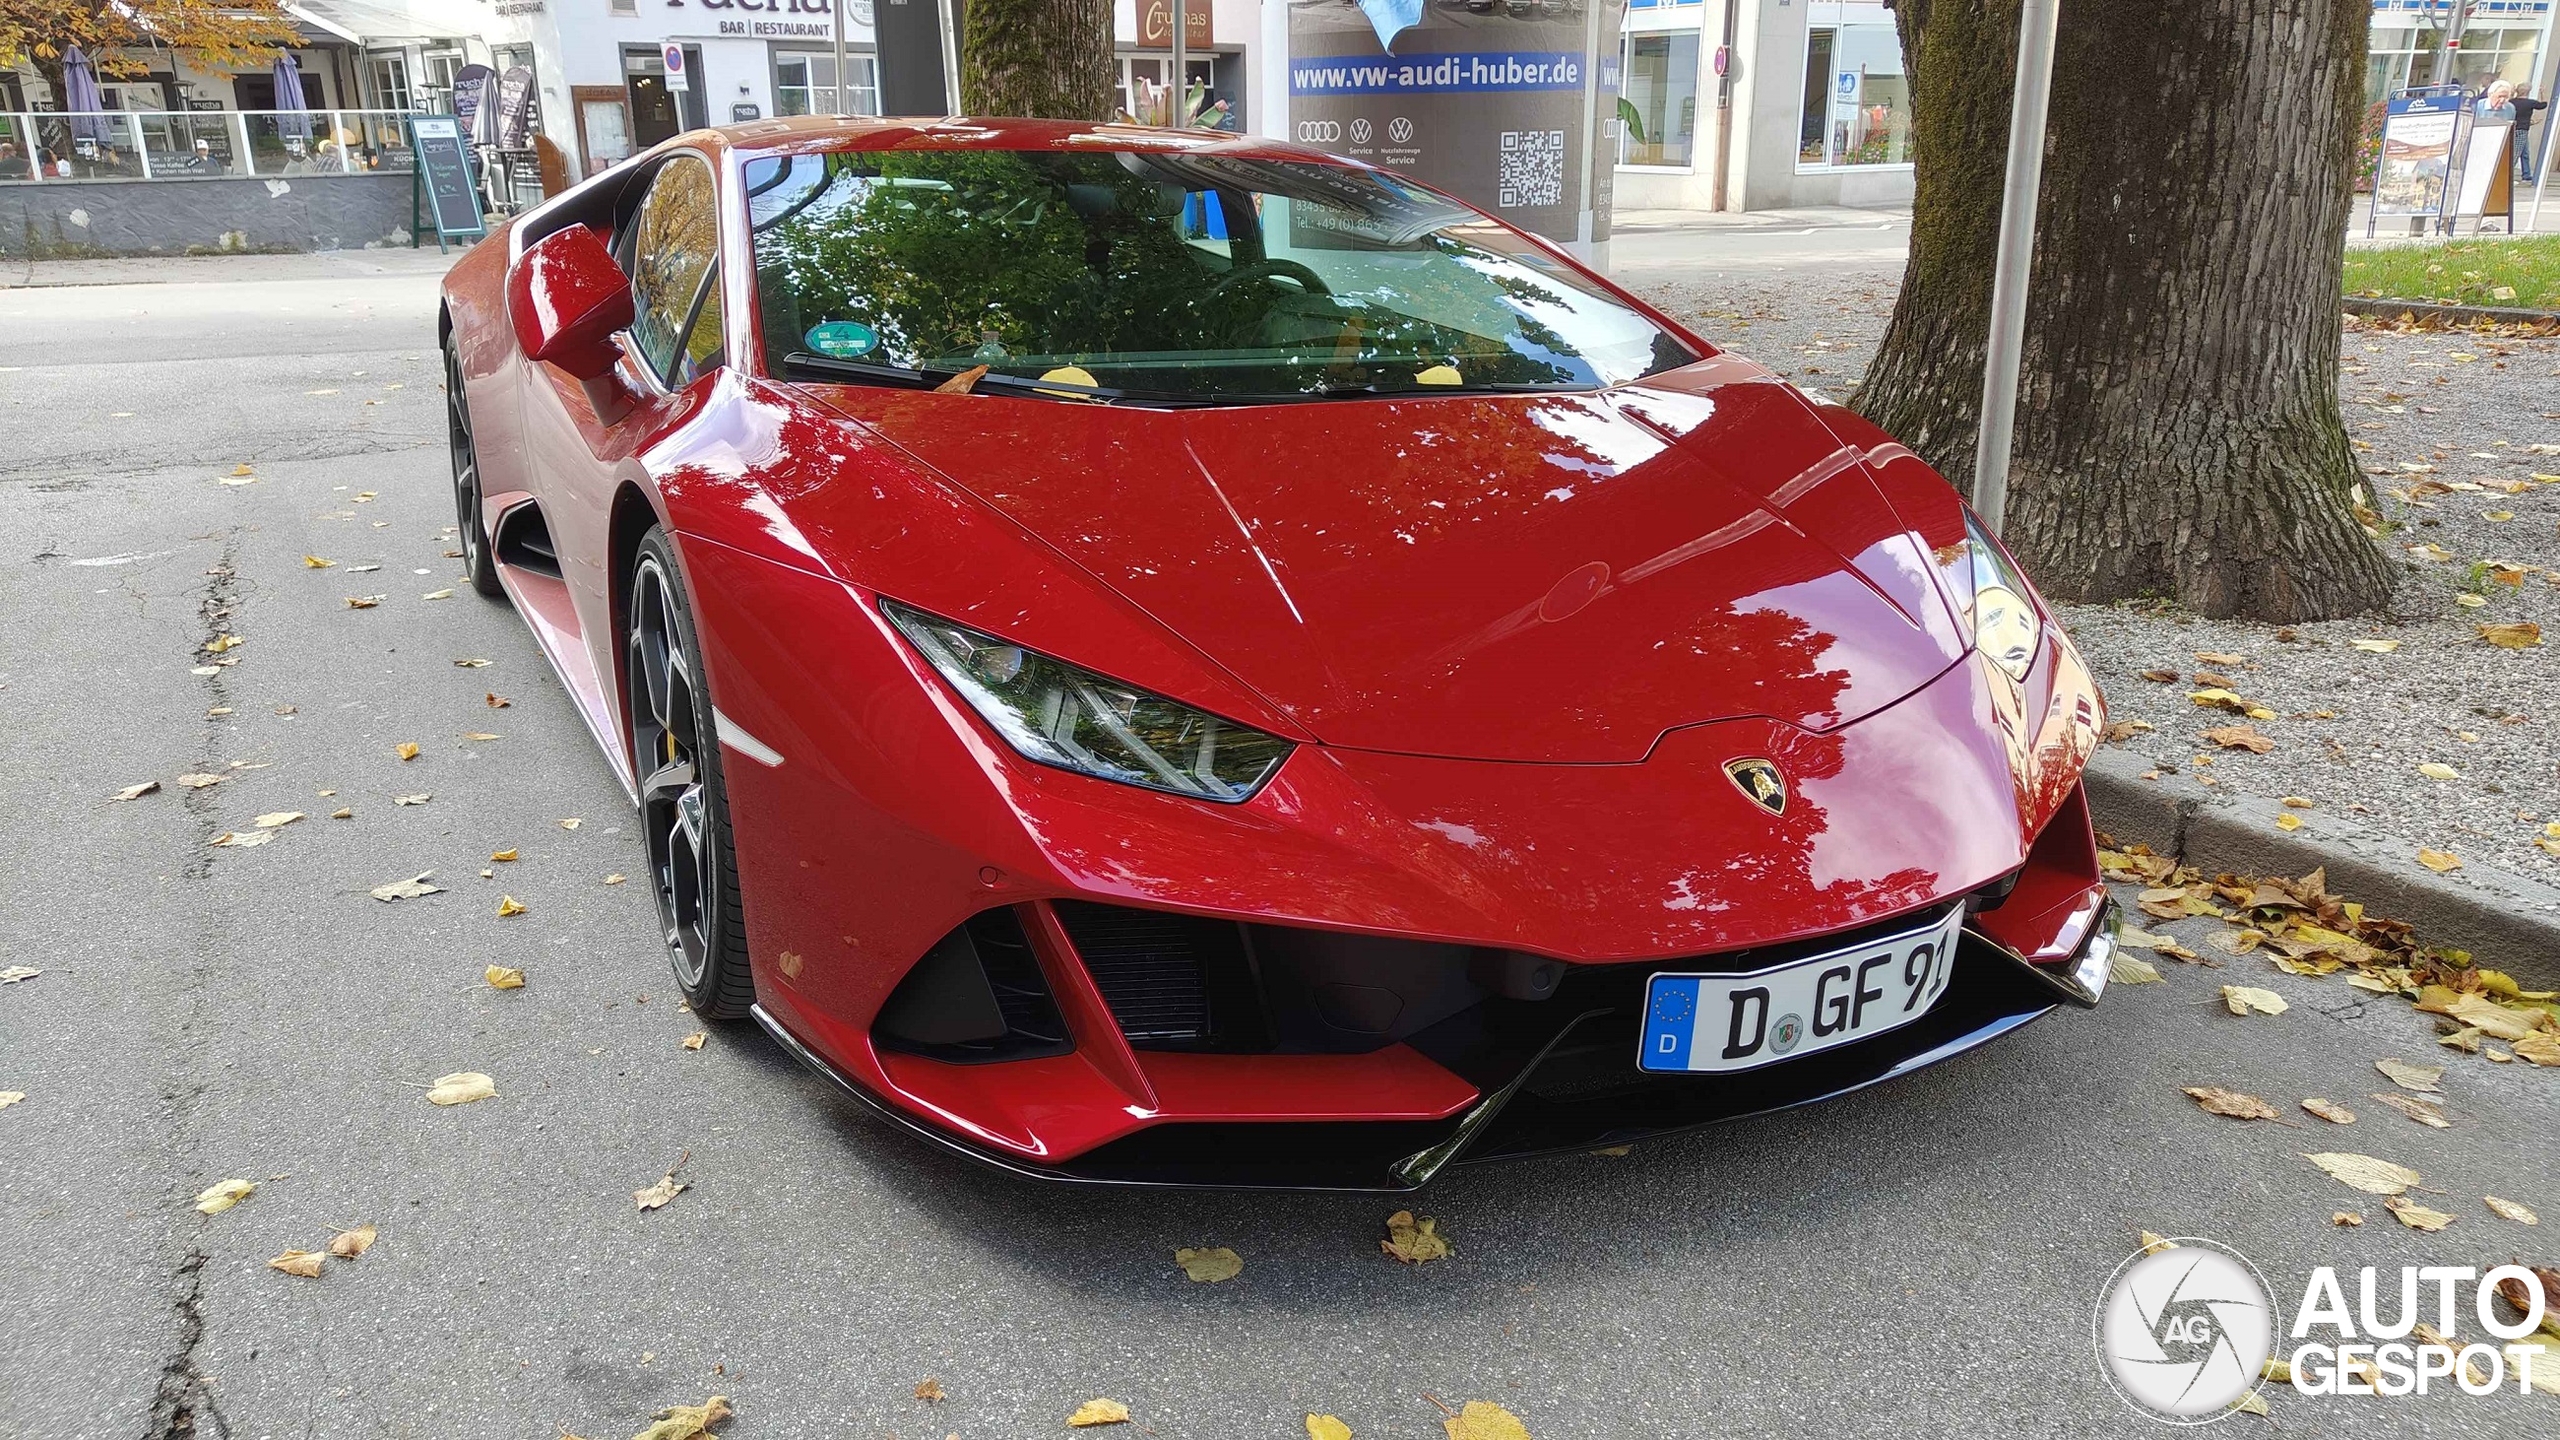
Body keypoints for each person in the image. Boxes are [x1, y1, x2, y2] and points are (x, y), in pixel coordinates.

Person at [2514, 86, 2547, 184]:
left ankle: (2526, 174)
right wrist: (2542, 93)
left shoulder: (2512, 101)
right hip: (2522, 129)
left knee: (2525, 153)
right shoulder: (2530, 103)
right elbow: (2543, 105)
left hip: (2515, 127)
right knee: (2516, 153)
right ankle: (2509, 174)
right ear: (2528, 92)